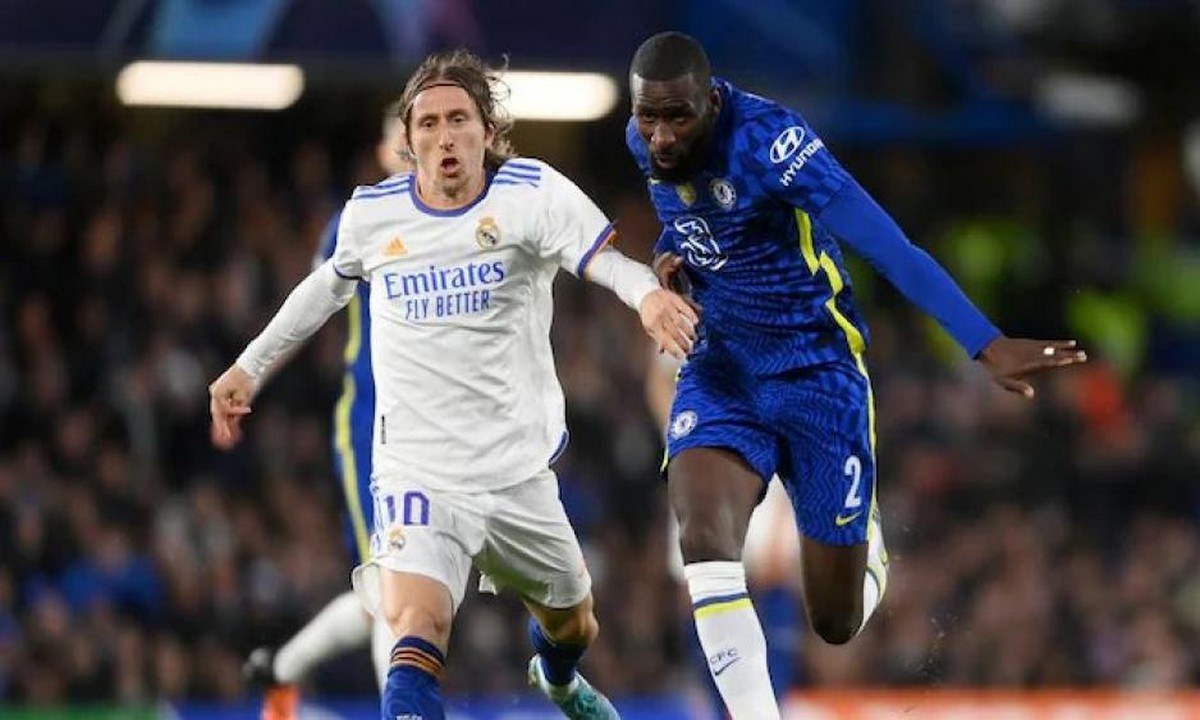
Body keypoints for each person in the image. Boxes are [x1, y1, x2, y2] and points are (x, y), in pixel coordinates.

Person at [209, 49, 698, 720]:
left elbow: (607, 263)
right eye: (429, 123)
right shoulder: (372, 215)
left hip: (515, 471)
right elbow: (321, 291)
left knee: (574, 625)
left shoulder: (532, 194)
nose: (444, 136)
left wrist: (647, 296)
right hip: (419, 471)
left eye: (459, 119)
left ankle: (558, 681)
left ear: (488, 132)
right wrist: (249, 367)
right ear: (408, 143)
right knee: (415, 625)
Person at [626, 31, 1088, 719]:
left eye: (677, 118)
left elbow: (886, 244)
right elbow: (698, 224)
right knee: (702, 535)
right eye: (648, 118)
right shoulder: (644, 142)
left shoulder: (772, 142)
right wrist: (669, 258)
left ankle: (863, 540)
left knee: (835, 622)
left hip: (817, 370)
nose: (661, 137)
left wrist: (982, 341)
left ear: (712, 102)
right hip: (723, 366)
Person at [234, 103, 411, 720]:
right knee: (393, 587)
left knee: (408, 591)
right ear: (384, 151)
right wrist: (251, 374)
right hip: (373, 424)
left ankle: (278, 672)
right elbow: (308, 310)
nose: (418, 148)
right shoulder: (359, 220)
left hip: (444, 430)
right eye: (403, 138)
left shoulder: (470, 217)